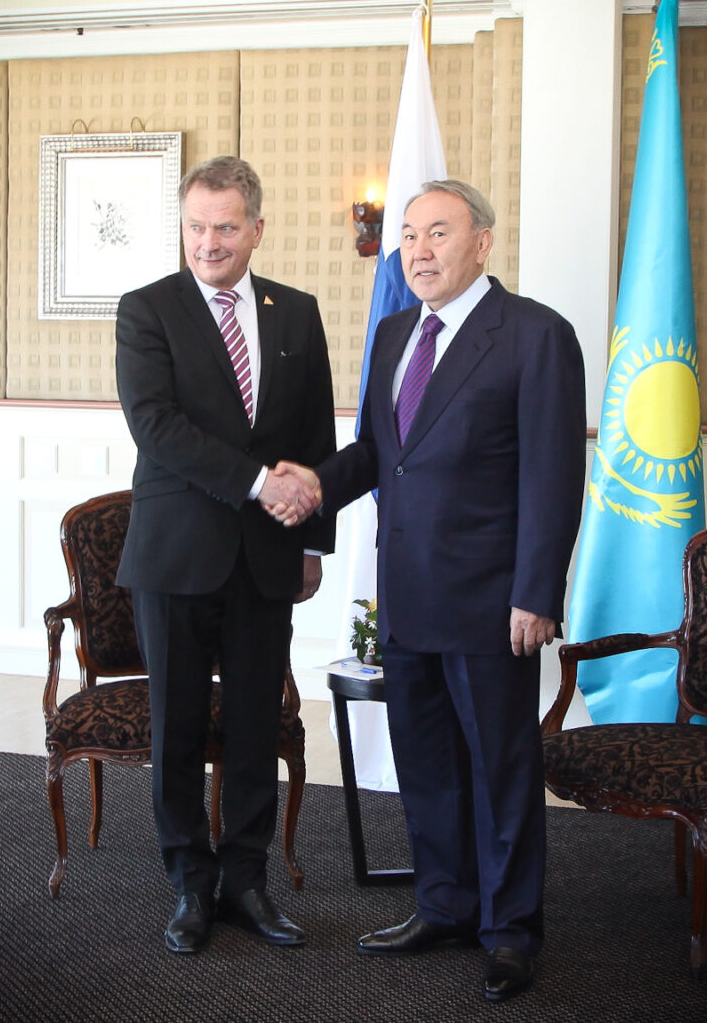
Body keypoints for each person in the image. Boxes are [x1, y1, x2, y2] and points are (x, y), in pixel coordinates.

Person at [270, 180, 586, 1002]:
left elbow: (555, 476)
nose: (418, 249)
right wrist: (314, 484)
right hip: (405, 595)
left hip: (493, 603)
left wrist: (536, 591)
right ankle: (443, 905)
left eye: (437, 233)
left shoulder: (535, 335)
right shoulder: (395, 332)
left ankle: (509, 931)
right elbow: (376, 453)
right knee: (429, 766)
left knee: (501, 772)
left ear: (482, 242)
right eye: (409, 235)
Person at [114, 155, 336, 954]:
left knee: (253, 725)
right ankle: (188, 884)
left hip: (268, 557)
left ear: (256, 229)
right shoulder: (147, 310)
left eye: (225, 227)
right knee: (174, 728)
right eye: (196, 227)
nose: (208, 242)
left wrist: (312, 535)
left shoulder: (297, 312)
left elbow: (315, 433)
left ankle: (246, 880)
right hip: (176, 556)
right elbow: (157, 429)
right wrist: (256, 484)